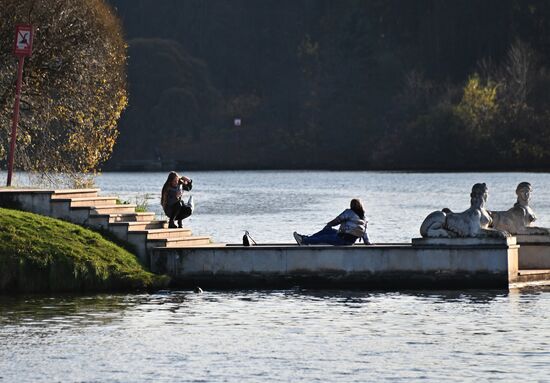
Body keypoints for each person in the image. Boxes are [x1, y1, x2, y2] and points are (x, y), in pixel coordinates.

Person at [293, 198, 371, 246]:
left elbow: (337, 220)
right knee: (328, 231)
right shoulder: (364, 218)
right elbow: (364, 234)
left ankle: (304, 241)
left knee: (324, 237)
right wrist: (367, 243)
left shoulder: (349, 212)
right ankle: (306, 238)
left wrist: (329, 224)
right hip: (350, 242)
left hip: (342, 240)